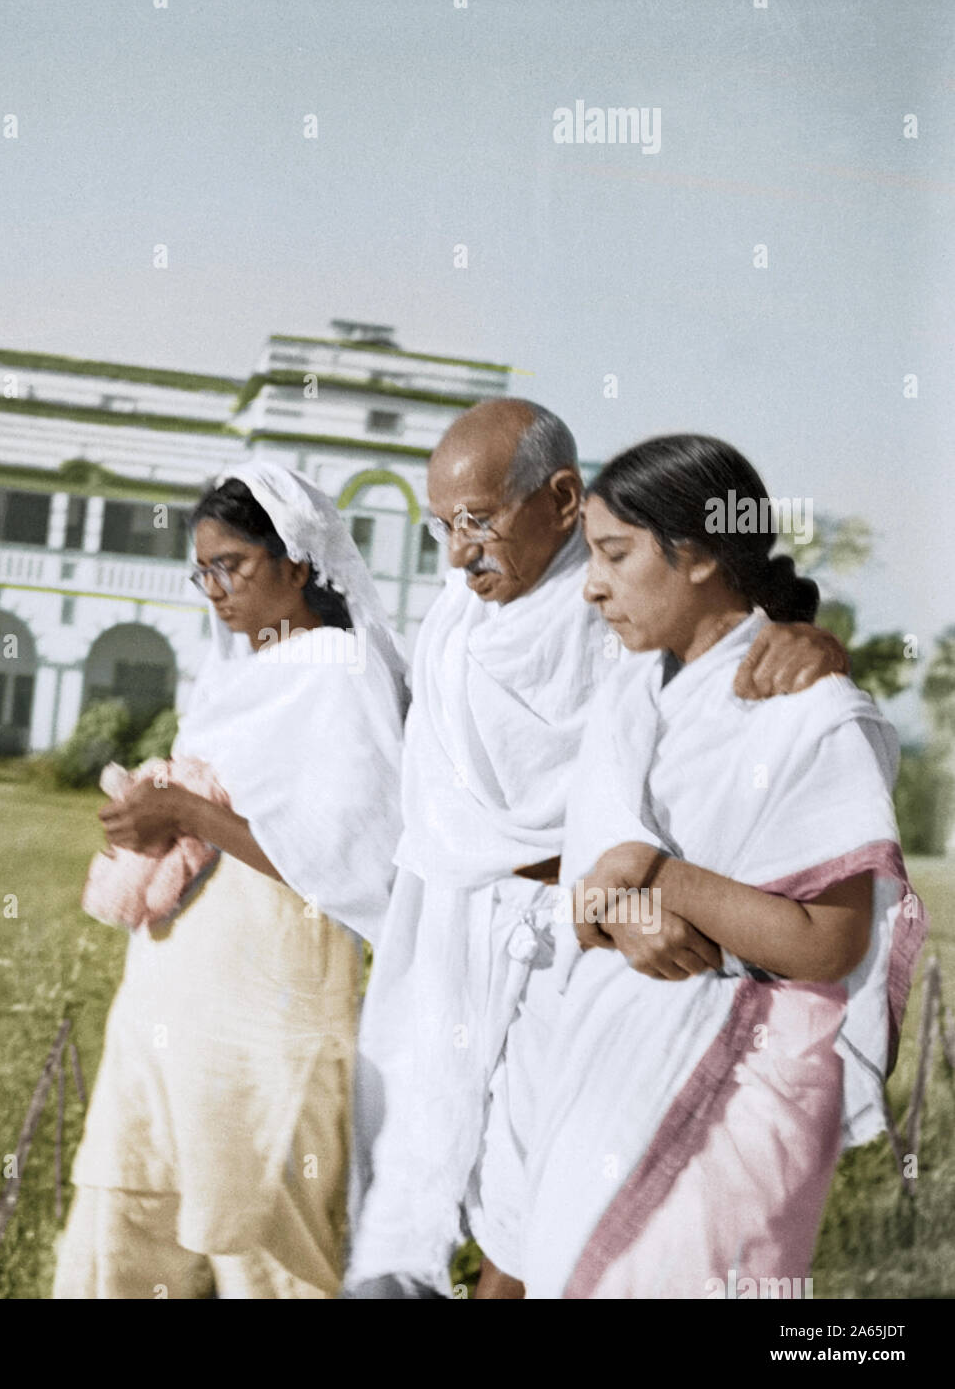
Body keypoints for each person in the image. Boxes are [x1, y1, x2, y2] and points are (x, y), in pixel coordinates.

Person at [345, 400, 852, 1299]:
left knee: (562, 1206)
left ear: (564, 498)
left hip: (615, 949)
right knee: (440, 1194)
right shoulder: (452, 630)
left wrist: (811, 647)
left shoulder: (634, 609)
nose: (460, 553)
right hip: (470, 938)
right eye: (441, 529)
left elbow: (713, 716)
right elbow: (434, 821)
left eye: (477, 521)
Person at [513, 434, 927, 1298]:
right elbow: (583, 884)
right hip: (600, 1073)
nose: (590, 585)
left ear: (697, 553)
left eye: (614, 554)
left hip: (734, 1101)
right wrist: (610, 907)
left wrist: (654, 872)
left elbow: (828, 945)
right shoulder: (625, 696)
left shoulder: (809, 710)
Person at [53, 460, 408, 1299]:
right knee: (120, 1235)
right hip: (167, 994)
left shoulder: (340, 675)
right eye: (202, 569)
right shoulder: (233, 678)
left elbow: (358, 862)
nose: (214, 588)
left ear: (297, 561)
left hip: (267, 1012)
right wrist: (152, 815)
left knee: (268, 1259)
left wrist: (189, 812)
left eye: (233, 566)